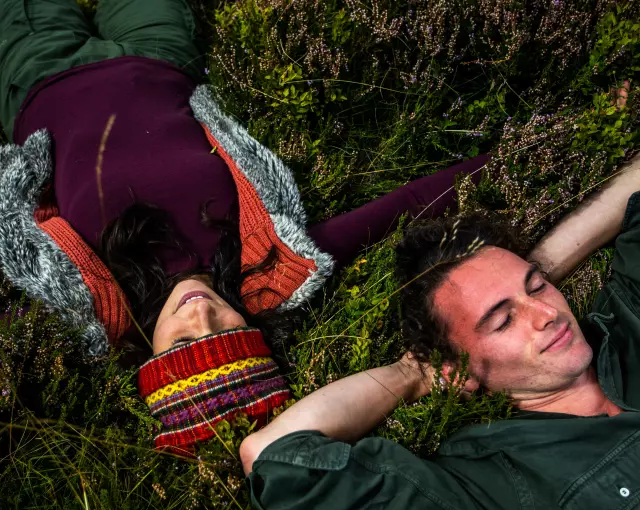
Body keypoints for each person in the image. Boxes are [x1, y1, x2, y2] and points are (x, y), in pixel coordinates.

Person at [0, 0, 486, 452]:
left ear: (151, 351)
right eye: (224, 333)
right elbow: (410, 204)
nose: (201, 316)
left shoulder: (98, 299)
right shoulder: (271, 264)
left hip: (40, 74)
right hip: (158, 58)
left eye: (185, 343)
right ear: (252, 332)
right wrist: (519, 158)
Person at [239, 150, 640, 510]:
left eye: (539, 289)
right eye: (501, 320)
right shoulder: (501, 497)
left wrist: (537, 267)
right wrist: (410, 374)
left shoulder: (627, 322)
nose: (546, 314)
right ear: (459, 371)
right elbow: (273, 456)